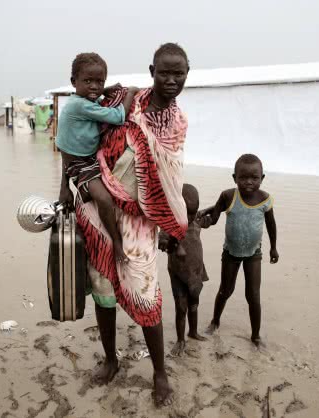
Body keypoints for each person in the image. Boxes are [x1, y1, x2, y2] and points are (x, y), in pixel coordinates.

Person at [73, 43, 190, 407]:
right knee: (103, 289)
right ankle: (111, 360)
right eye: (164, 72)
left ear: (188, 74)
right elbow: (81, 142)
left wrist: (172, 226)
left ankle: (159, 373)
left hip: (140, 223)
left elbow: (171, 180)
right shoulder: (122, 102)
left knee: (146, 295)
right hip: (98, 211)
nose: (171, 80)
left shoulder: (177, 124)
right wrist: (68, 185)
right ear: (152, 70)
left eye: (179, 73)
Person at [56, 52, 139, 264]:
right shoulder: (80, 105)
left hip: (87, 156)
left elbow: (100, 97)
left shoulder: (84, 99)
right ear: (74, 82)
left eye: (99, 82)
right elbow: (119, 117)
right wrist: (130, 93)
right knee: (103, 199)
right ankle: (117, 243)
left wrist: (106, 91)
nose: (94, 86)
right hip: (80, 163)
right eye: (88, 81)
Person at [198, 154, 279, 348]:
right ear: (235, 178)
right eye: (243, 178)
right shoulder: (228, 196)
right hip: (231, 253)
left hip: (254, 254)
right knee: (225, 290)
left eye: (254, 177)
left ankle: (256, 335)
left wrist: (274, 247)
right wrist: (204, 221)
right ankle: (215, 321)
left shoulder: (266, 200)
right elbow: (215, 216)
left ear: (262, 178)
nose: (249, 182)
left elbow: (271, 224)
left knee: (253, 295)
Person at [158, 184, 208, 357]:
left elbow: (210, 218)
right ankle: (180, 340)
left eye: (193, 212)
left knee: (194, 304)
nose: (189, 217)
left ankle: (192, 332)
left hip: (195, 273)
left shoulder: (196, 221)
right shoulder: (168, 225)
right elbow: (161, 243)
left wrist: (215, 209)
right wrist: (170, 243)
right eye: (186, 212)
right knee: (181, 308)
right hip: (178, 274)